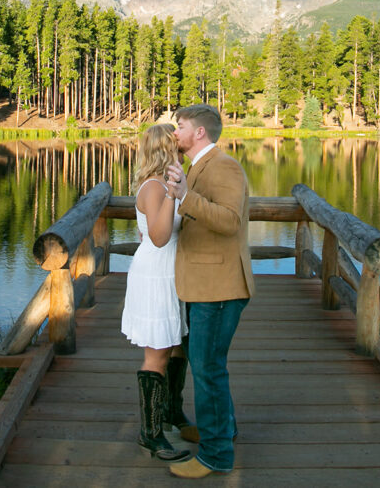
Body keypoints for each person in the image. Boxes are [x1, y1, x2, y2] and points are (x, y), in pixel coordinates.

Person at [163, 104, 254, 479]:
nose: (175, 132)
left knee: (207, 369)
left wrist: (186, 198)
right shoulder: (196, 168)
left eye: (180, 126)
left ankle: (216, 455)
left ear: (199, 132)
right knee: (209, 367)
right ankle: (223, 430)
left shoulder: (225, 167)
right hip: (202, 285)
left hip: (219, 288)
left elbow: (230, 221)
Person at [120, 123, 192, 463]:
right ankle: (150, 433)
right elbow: (159, 237)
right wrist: (172, 192)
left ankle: (171, 412)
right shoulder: (153, 188)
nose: (182, 151)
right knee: (158, 353)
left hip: (172, 271)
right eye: (176, 146)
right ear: (165, 150)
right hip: (156, 274)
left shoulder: (166, 185)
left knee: (177, 346)